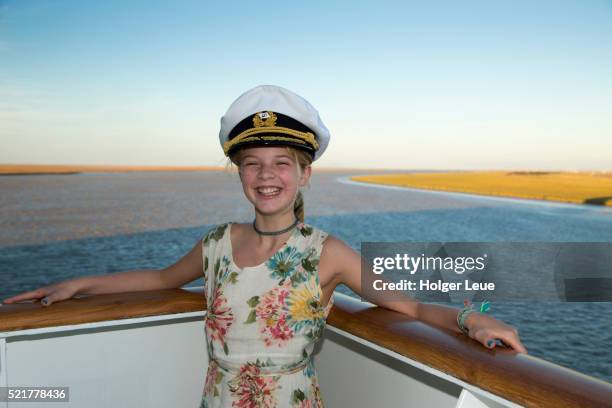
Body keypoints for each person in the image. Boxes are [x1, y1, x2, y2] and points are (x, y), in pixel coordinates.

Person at [2, 85, 526, 407]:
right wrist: (77, 284)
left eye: (282, 163)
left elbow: (408, 303)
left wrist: (469, 320)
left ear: (306, 174)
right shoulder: (215, 245)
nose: (266, 175)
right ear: (240, 174)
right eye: (253, 163)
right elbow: (161, 280)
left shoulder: (328, 253)